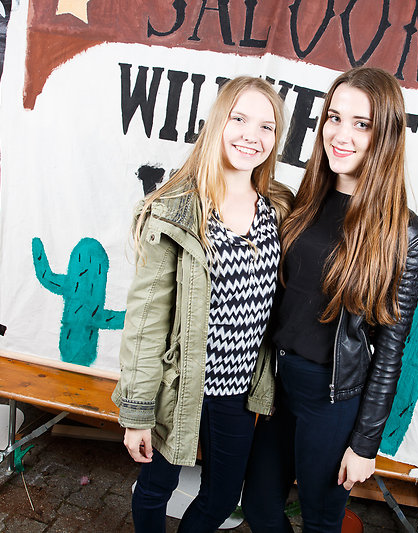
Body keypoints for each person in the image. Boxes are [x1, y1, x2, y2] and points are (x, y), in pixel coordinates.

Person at [241, 66, 418, 532]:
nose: (341, 135)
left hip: (331, 398)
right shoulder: (303, 202)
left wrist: (365, 443)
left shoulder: (405, 236)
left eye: (361, 124)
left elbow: (390, 351)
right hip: (278, 383)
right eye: (334, 117)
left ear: (385, 135)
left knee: (321, 521)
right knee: (261, 509)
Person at [111, 76, 293, 533]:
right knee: (156, 487)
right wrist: (137, 412)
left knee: (223, 497)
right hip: (178, 386)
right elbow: (146, 321)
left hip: (236, 390)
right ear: (217, 123)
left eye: (266, 126)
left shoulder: (279, 209)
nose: (252, 135)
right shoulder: (175, 210)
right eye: (239, 119)